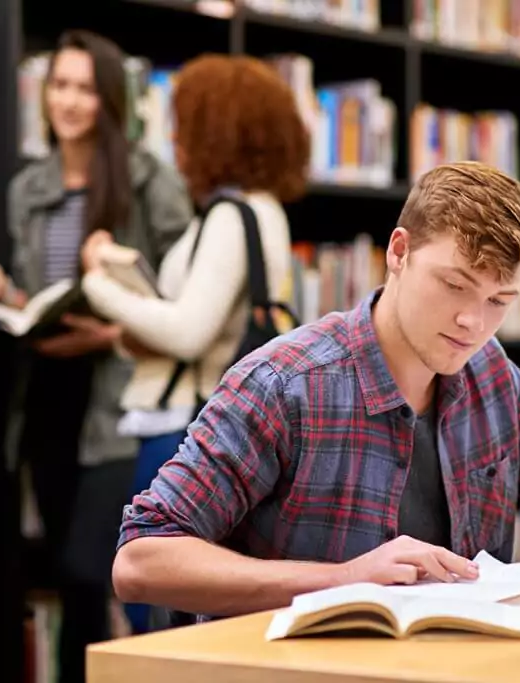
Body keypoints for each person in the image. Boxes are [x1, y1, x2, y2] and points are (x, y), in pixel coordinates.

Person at [110, 161, 520, 620]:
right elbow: (141, 560)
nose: (473, 322)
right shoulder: (284, 384)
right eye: (454, 285)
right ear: (398, 252)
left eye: (499, 302)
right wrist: (344, 581)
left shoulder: (489, 374)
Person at [0, 29, 191, 681]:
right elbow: (41, 290)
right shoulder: (28, 186)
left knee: (95, 569)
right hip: (46, 393)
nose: (68, 100)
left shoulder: (150, 181)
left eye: (85, 87)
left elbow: (181, 301)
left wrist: (109, 331)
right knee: (63, 566)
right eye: (59, 84)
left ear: (111, 99)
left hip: (120, 392)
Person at [77, 53, 310, 633]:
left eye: (184, 125)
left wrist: (97, 284)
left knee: (152, 590)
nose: (174, 141)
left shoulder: (231, 215)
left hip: (184, 420)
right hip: (202, 405)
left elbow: (189, 330)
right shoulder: (267, 212)